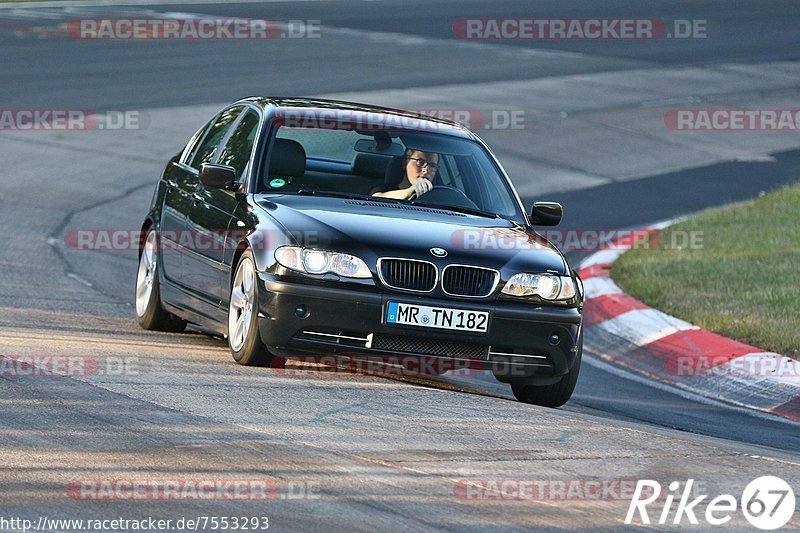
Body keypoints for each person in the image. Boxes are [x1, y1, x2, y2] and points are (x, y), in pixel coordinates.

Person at [373, 149, 439, 200]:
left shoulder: (438, 197)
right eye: (420, 162)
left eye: (432, 166)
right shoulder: (384, 189)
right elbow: (376, 198)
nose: (426, 170)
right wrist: (410, 191)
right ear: (405, 163)